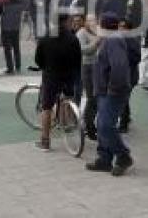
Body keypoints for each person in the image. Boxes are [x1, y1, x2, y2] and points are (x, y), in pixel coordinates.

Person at [85, 13, 134, 176]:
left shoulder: (113, 40)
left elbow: (118, 67)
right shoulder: (108, 39)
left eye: (98, 23)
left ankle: (123, 155)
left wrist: (113, 89)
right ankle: (104, 158)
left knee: (105, 125)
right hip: (104, 90)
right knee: (102, 124)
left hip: (112, 91)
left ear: (103, 25)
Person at [34, 14, 82, 151]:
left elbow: (38, 59)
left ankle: (45, 141)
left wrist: (46, 67)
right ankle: (66, 124)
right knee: (67, 98)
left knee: (47, 108)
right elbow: (78, 60)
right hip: (68, 76)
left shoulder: (45, 38)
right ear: (66, 21)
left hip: (51, 76)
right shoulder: (73, 39)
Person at [76, 14, 102, 140]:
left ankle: (91, 124)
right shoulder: (81, 33)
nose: (92, 22)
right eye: (90, 20)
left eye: (94, 20)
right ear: (85, 22)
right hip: (87, 67)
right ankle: (88, 126)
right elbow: (82, 50)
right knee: (92, 97)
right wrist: (96, 42)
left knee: (97, 97)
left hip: (98, 66)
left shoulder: (98, 31)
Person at [0, 0, 25, 74]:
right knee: (16, 48)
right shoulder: (20, 2)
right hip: (16, 27)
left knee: (7, 49)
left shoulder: (3, 2)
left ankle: (10, 68)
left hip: (6, 28)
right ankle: (18, 66)